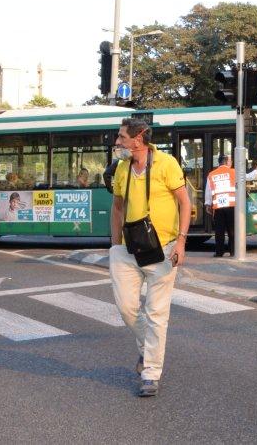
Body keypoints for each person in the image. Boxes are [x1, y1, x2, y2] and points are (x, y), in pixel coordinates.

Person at [109, 117, 192, 397]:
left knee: (156, 313)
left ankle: (151, 372)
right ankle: (147, 350)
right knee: (126, 307)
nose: (118, 142)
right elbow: (118, 207)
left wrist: (181, 242)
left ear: (139, 138)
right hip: (128, 249)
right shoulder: (122, 167)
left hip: (164, 249)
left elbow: (185, 202)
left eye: (122, 137)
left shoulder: (167, 164)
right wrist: (115, 245)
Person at [204, 155, 236, 257]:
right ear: (226, 162)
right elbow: (246, 177)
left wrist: (208, 204)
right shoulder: (233, 172)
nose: (231, 163)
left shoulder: (212, 174)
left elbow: (208, 191)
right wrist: (256, 171)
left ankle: (219, 252)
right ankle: (233, 251)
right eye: (230, 161)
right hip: (231, 206)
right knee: (232, 231)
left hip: (218, 207)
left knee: (219, 231)